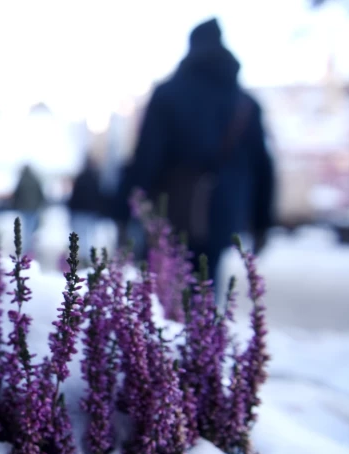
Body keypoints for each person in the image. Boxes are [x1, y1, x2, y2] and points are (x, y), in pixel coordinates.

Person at [116, 18, 275, 285]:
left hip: (169, 211)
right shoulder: (246, 104)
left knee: (155, 295)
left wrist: (122, 213)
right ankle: (202, 326)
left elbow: (144, 160)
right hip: (222, 215)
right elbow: (263, 168)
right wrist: (262, 223)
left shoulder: (168, 94)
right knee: (205, 289)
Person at [68, 155, 104, 257]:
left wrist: (71, 210)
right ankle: (88, 257)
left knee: (81, 236)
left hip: (80, 212)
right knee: (89, 236)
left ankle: (83, 256)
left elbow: (74, 196)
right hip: (91, 212)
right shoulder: (95, 179)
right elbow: (99, 196)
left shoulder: (80, 177)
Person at [11, 164, 46, 256]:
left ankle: (28, 248)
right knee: (32, 227)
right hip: (34, 208)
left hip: (24, 208)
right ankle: (30, 247)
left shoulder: (22, 180)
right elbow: (41, 194)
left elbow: (17, 195)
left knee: (27, 228)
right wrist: (41, 205)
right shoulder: (35, 179)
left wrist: (16, 205)